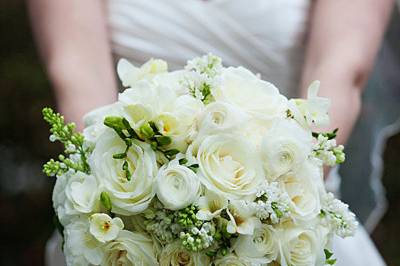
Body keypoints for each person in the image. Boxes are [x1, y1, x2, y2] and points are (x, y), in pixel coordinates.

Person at [27, 0, 395, 265]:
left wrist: (268, 212)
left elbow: (341, 73)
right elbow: (77, 78)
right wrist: (133, 216)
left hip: (283, 212)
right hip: (128, 224)